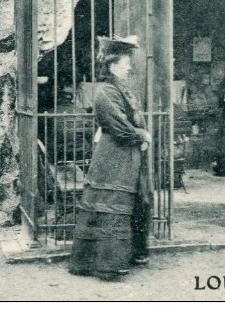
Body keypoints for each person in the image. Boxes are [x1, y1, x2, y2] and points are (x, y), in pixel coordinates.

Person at [68, 35, 151, 281]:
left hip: (126, 157)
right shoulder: (105, 92)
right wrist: (142, 134)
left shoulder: (119, 88)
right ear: (113, 65)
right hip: (114, 158)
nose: (129, 66)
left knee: (132, 204)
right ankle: (105, 265)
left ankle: (126, 257)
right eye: (126, 62)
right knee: (111, 205)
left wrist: (140, 135)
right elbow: (120, 127)